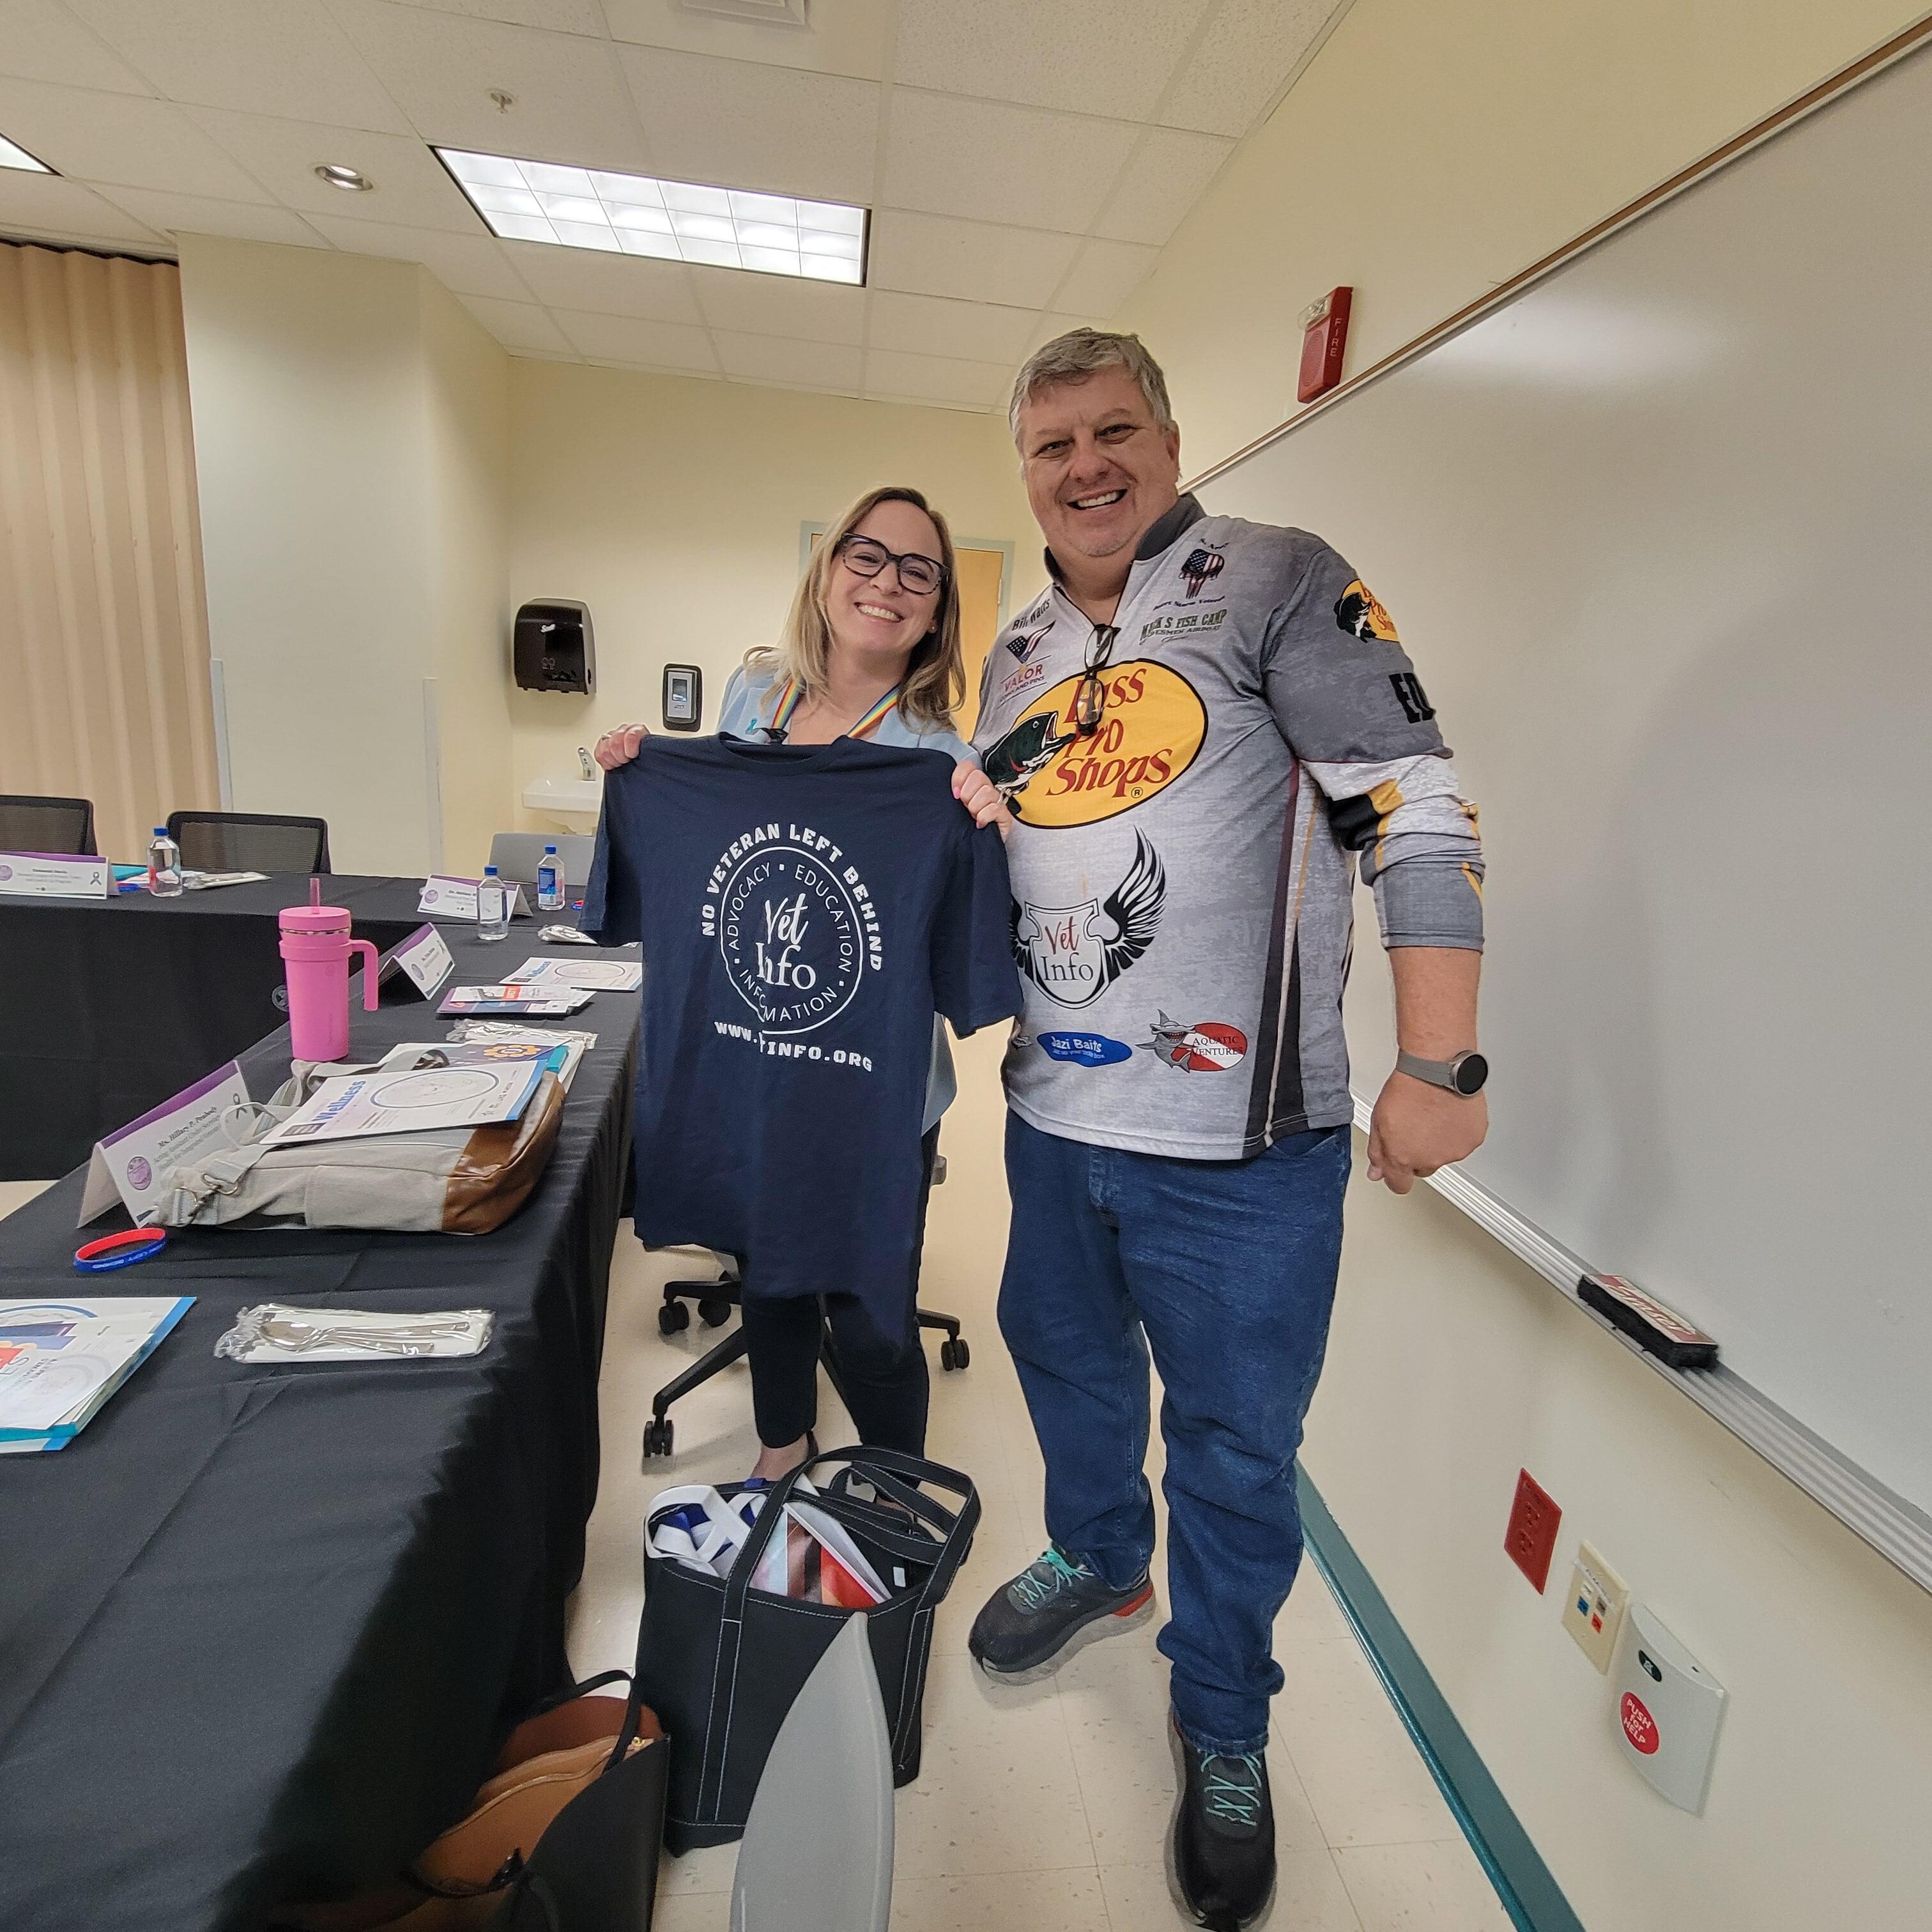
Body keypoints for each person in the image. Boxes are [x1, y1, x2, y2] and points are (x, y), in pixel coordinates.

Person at [950, 329, 1489, 1929]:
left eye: (1117, 431)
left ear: (1172, 443)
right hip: (1056, 1123)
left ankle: (1225, 1718)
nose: (1086, 465)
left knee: (1240, 1457)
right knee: (1067, 1363)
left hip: (1246, 1153)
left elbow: (1417, 801)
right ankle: (1106, 1554)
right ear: (1026, 471)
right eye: (1052, 444)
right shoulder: (1022, 643)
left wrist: (1441, 1066)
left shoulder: (1278, 577)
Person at [594, 485, 979, 1484]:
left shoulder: (939, 760)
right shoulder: (751, 701)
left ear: (936, 610)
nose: (887, 583)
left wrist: (989, 823)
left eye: (917, 570)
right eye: (866, 556)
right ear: (827, 571)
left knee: (869, 1309)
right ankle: (784, 1445)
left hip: (870, 1087)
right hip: (749, 1058)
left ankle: (896, 1492)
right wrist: (640, 771)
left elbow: (961, 924)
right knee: (766, 1268)